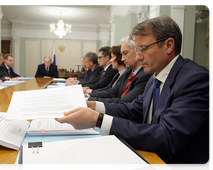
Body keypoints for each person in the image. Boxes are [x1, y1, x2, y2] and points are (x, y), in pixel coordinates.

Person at [57, 15, 213, 170]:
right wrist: (92, 106)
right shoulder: (155, 76)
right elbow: (134, 109)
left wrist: (98, 120)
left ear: (169, 45)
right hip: (152, 155)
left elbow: (168, 137)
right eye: (137, 50)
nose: (138, 56)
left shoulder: (195, 79)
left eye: (143, 48)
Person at [87, 37, 152, 103]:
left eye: (125, 53)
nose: (122, 59)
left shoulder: (145, 75)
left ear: (136, 51)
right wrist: (88, 97)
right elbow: (113, 92)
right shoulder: (128, 72)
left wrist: (92, 101)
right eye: (122, 55)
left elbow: (125, 101)